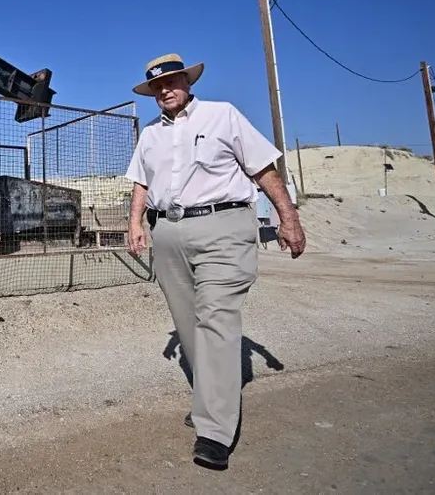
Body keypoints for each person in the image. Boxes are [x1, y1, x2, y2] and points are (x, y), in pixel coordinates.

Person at [124, 52, 306, 470]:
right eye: (157, 86)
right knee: (189, 326)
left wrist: (288, 217)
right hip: (168, 233)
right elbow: (141, 181)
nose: (165, 89)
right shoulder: (150, 134)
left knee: (216, 319)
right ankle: (212, 398)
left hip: (223, 228)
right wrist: (136, 223)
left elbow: (263, 168)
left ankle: (215, 430)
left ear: (188, 82)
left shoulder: (223, 116)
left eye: (172, 81)